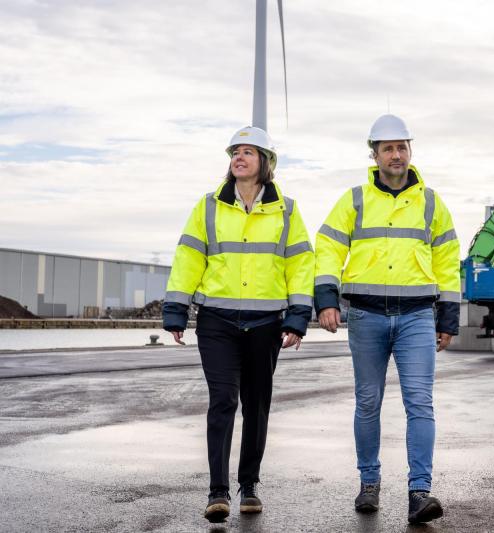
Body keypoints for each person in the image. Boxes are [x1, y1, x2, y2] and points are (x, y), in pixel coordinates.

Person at [162, 126, 314, 523]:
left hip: (266, 323)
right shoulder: (209, 206)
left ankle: (249, 485)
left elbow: (301, 264)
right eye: (235, 152)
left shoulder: (287, 210)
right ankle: (218, 492)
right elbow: (188, 257)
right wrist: (176, 308)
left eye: (248, 151)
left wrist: (298, 315)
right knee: (224, 399)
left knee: (257, 405)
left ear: (266, 162)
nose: (239, 158)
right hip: (216, 321)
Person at [314, 114, 461, 524]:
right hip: (366, 315)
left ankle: (420, 493)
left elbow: (448, 261)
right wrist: (326, 299)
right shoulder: (354, 200)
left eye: (402, 147)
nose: (396, 155)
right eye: (388, 148)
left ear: (410, 151)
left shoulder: (431, 202)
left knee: (420, 403)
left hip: (417, 316)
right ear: (374, 155)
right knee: (368, 402)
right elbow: (327, 248)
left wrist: (448, 317)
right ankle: (369, 484)